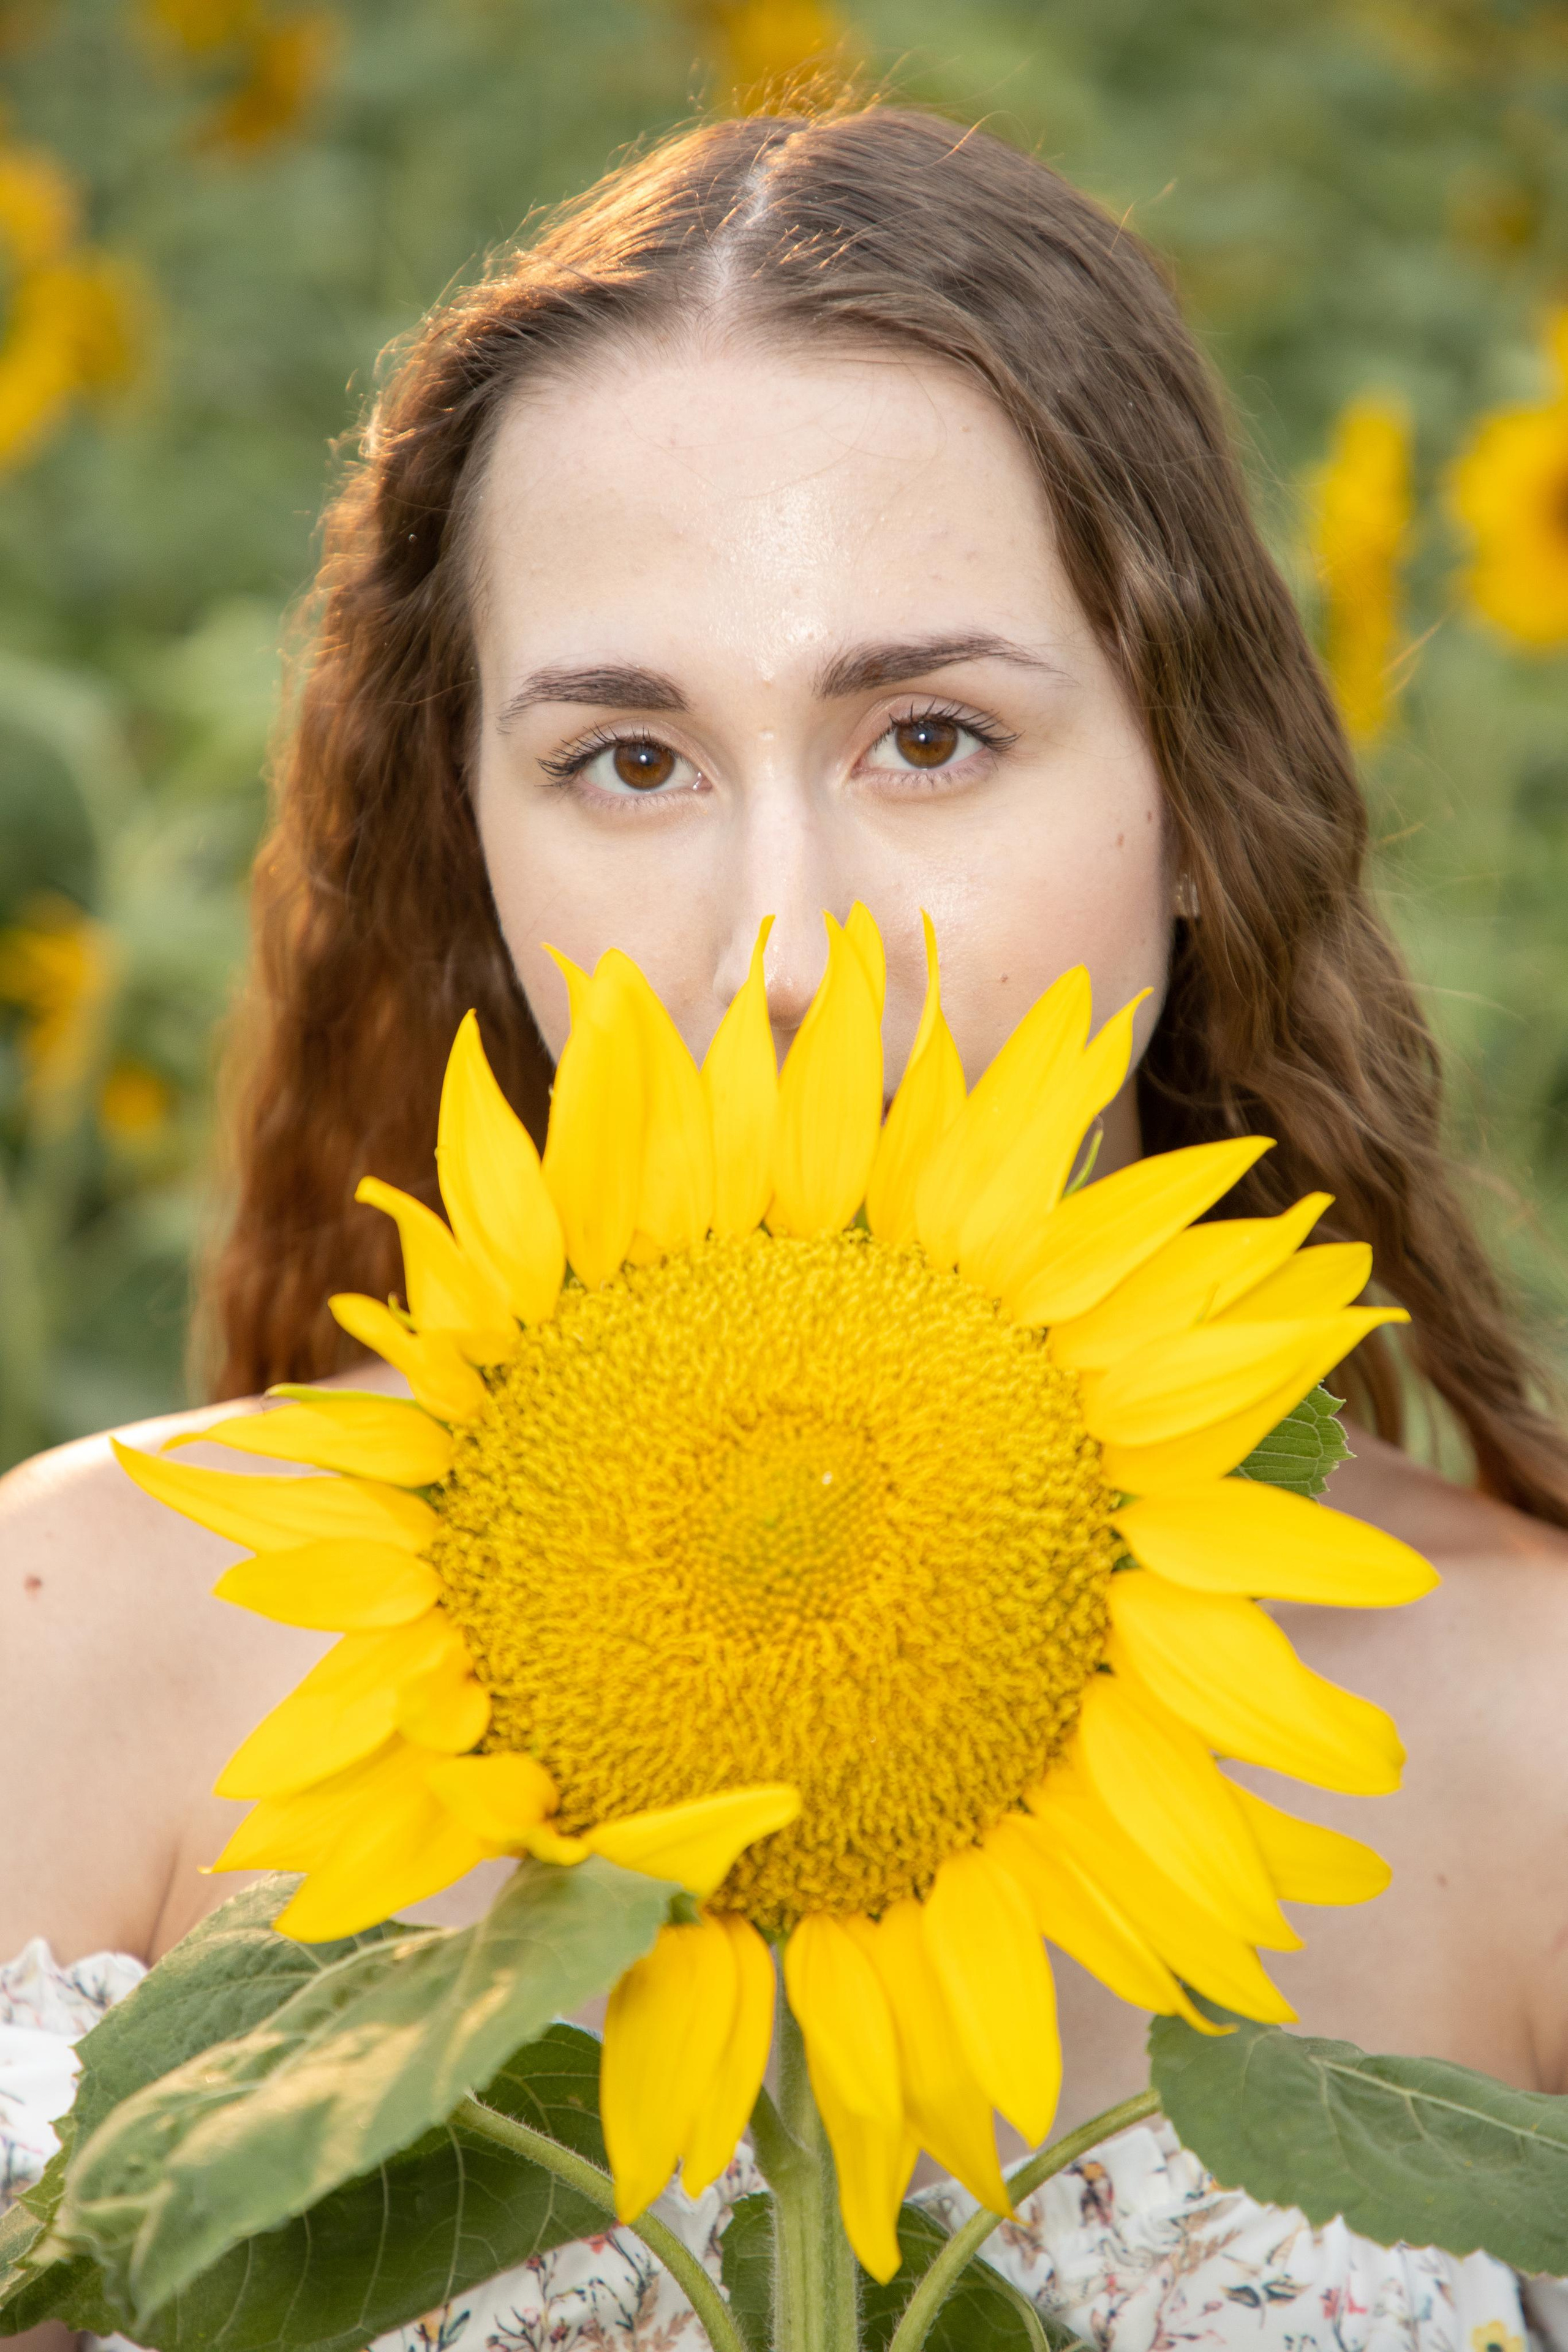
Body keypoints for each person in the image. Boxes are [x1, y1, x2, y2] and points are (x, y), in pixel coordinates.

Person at [5, 101, 1568, 2352]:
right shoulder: (81, 1645)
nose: (783, 944)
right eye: (629, 761)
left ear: (1199, 800)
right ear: (477, 833)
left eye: (927, 736)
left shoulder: (1523, 1736)